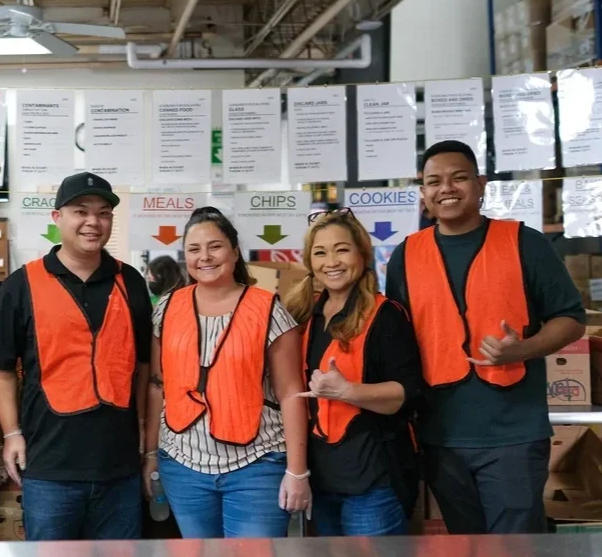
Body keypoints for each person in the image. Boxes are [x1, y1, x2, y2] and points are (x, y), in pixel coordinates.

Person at [385, 140, 586, 535]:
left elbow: (571, 319)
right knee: (468, 544)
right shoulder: (405, 256)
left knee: (515, 545)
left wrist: (524, 348)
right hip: (439, 435)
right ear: (423, 193)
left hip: (513, 435)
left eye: (459, 178)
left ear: (481, 185)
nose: (447, 188)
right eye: (434, 181)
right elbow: (396, 341)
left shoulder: (525, 243)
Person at [0, 172, 152, 541]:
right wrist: (12, 433)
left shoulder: (132, 282)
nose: (93, 222)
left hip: (120, 468)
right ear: (57, 217)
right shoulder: (21, 284)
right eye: (81, 211)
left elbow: (142, 366)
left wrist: (142, 427)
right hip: (49, 468)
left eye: (103, 212)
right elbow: (0, 369)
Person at [143, 207, 310, 539]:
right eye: (194, 249)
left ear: (234, 252)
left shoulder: (268, 309)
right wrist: (150, 455)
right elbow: (157, 385)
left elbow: (292, 393)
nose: (204, 257)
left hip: (257, 467)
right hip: (181, 465)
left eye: (215, 246)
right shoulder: (167, 308)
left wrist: (297, 471)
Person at [285, 209, 423, 537]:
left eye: (342, 249)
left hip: (373, 484)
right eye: (320, 253)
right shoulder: (302, 314)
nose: (331, 261)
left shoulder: (386, 314)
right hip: (318, 481)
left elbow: (407, 393)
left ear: (362, 253)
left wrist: (347, 391)